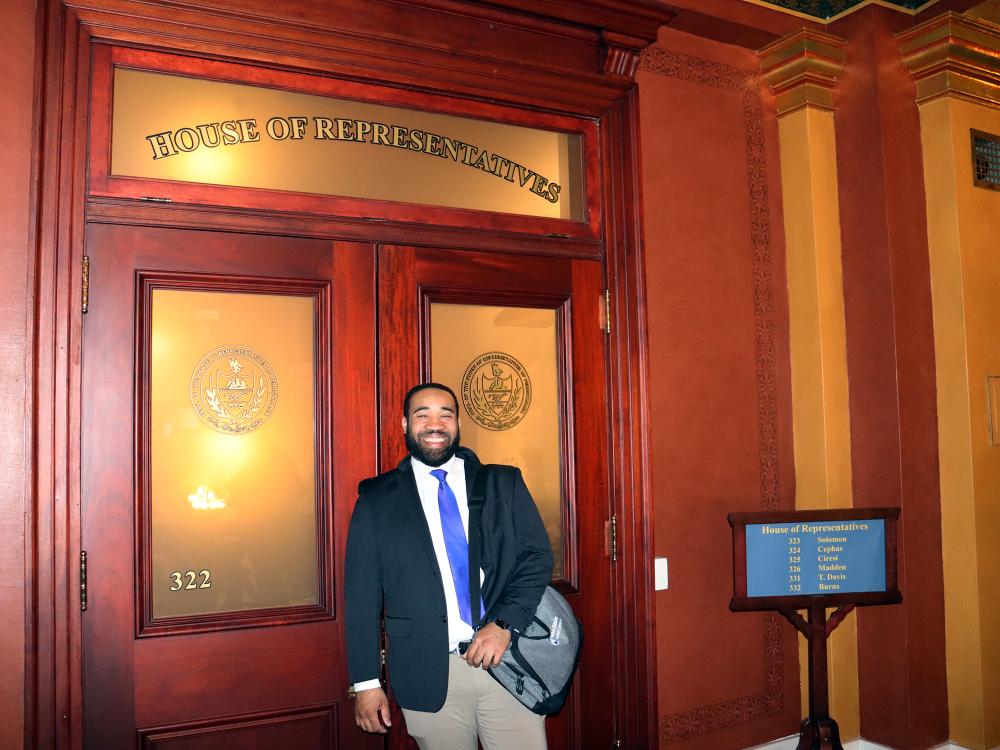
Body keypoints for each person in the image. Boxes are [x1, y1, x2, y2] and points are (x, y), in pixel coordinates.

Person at [344, 382, 553, 749]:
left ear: (457, 424)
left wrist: (503, 624)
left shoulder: (502, 483)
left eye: (446, 414)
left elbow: (536, 558)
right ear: (405, 424)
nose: (435, 424)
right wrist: (366, 683)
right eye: (422, 414)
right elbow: (361, 598)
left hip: (508, 661)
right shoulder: (376, 501)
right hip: (427, 671)